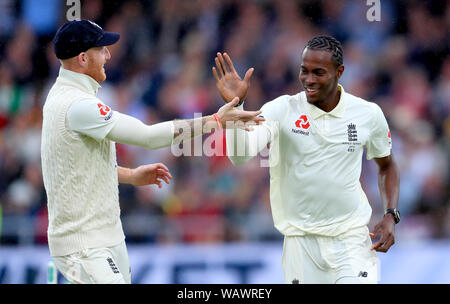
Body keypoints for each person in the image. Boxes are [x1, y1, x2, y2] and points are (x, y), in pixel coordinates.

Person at [41, 19, 264, 284]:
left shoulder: (67, 97)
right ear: (82, 58)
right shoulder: (77, 104)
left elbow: (78, 167)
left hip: (103, 236)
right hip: (85, 243)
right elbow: (147, 137)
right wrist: (214, 121)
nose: (108, 55)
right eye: (102, 50)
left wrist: (131, 175)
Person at [213, 35, 400, 284]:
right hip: (300, 246)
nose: (309, 80)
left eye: (318, 72)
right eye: (304, 71)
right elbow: (239, 156)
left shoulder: (367, 113)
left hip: (351, 240)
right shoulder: (282, 109)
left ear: (339, 72)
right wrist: (235, 107)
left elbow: (386, 165)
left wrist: (390, 214)